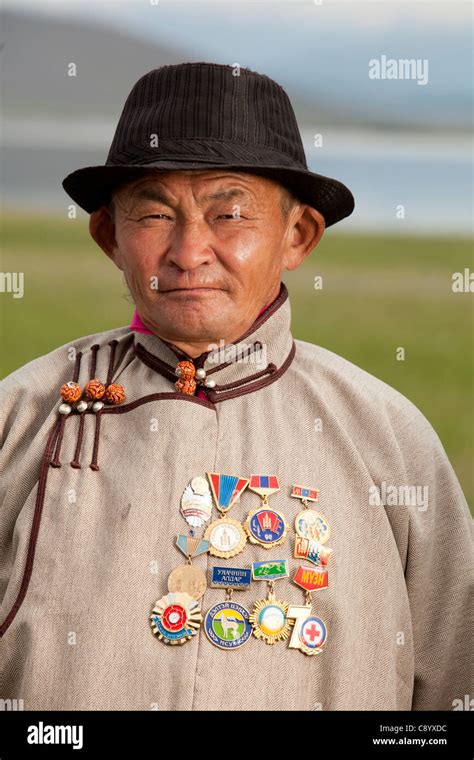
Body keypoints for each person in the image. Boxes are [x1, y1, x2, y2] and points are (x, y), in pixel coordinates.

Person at [0, 62, 471, 712]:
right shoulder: (21, 417)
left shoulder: (389, 439)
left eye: (230, 214)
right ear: (110, 236)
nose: (190, 251)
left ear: (296, 236)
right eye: (155, 215)